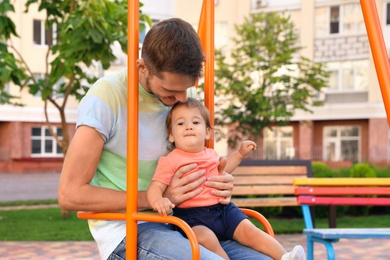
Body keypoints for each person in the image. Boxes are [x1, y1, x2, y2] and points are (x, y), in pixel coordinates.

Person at [58, 18, 275, 260]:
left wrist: (218, 181)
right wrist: (158, 197)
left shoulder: (183, 94)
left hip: (191, 219)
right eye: (171, 91)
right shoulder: (106, 97)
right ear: (143, 68)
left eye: (188, 88)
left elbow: (199, 159)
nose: (183, 99)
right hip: (132, 227)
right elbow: (69, 194)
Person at [147, 98, 306, 260]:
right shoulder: (171, 160)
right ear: (171, 135)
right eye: (180, 124)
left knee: (249, 230)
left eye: (195, 122)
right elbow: (156, 186)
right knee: (205, 239)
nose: (188, 126)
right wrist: (158, 200)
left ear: (207, 132)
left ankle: (285, 256)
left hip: (223, 210)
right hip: (192, 217)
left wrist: (240, 154)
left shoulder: (211, 154)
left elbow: (224, 169)